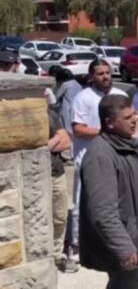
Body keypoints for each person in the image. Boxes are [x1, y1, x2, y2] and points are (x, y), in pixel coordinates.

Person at [79, 94, 138, 289]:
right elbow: (102, 211)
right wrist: (123, 247)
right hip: (128, 244)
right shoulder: (100, 155)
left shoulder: (127, 142)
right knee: (130, 286)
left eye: (134, 115)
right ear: (110, 123)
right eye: (128, 117)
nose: (135, 120)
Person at [70, 59, 128, 264]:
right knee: (81, 203)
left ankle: (116, 242)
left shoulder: (121, 96)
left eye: (108, 72)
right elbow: (78, 129)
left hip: (117, 157)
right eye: (100, 73)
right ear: (91, 76)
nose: (105, 77)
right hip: (88, 158)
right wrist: (107, 132)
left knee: (116, 203)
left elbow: (132, 120)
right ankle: (76, 245)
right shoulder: (82, 97)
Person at [47, 107, 77, 273]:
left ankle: (57, 255)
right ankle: (45, 257)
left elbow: (66, 141)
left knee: (60, 217)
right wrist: (54, 140)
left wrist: (45, 146)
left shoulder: (51, 115)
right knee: (40, 219)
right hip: (37, 174)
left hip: (56, 173)